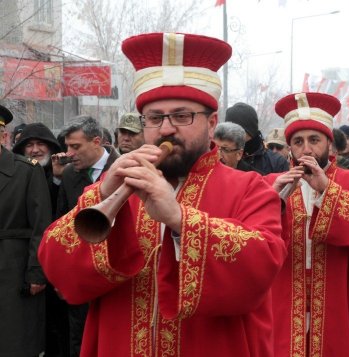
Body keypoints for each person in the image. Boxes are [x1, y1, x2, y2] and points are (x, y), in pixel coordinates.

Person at [38, 32, 286, 357]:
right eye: (154, 118)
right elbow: (58, 271)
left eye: (182, 116)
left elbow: (261, 271)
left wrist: (180, 219)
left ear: (212, 124)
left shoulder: (250, 189)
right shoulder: (115, 189)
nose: (166, 129)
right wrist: (104, 190)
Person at [268, 92, 349, 357]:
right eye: (298, 141)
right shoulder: (272, 183)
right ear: (289, 148)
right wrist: (275, 200)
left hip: (337, 296)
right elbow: (255, 237)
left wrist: (326, 190)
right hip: (284, 295)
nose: (306, 149)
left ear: (329, 145)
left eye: (314, 140)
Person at [55, 115, 120, 357]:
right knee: (79, 340)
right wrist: (63, 276)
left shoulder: (124, 168)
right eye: (67, 146)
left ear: (97, 142)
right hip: (81, 274)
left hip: (116, 274)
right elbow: (62, 223)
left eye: (75, 146)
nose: (69, 153)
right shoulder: (70, 174)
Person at [12, 123, 70, 356]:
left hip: (56, 264)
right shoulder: (17, 174)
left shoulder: (67, 172)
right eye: (29, 145)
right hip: (25, 264)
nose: (35, 150)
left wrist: (57, 180)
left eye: (41, 144)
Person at [0, 105, 52, 357]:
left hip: (14, 269)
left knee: (14, 340)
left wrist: (36, 272)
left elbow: (41, 225)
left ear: (3, 136)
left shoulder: (27, 171)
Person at [226, 102, 289, 174]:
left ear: (250, 131)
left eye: (236, 130)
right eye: (227, 130)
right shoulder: (220, 157)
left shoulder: (277, 162)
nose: (231, 136)